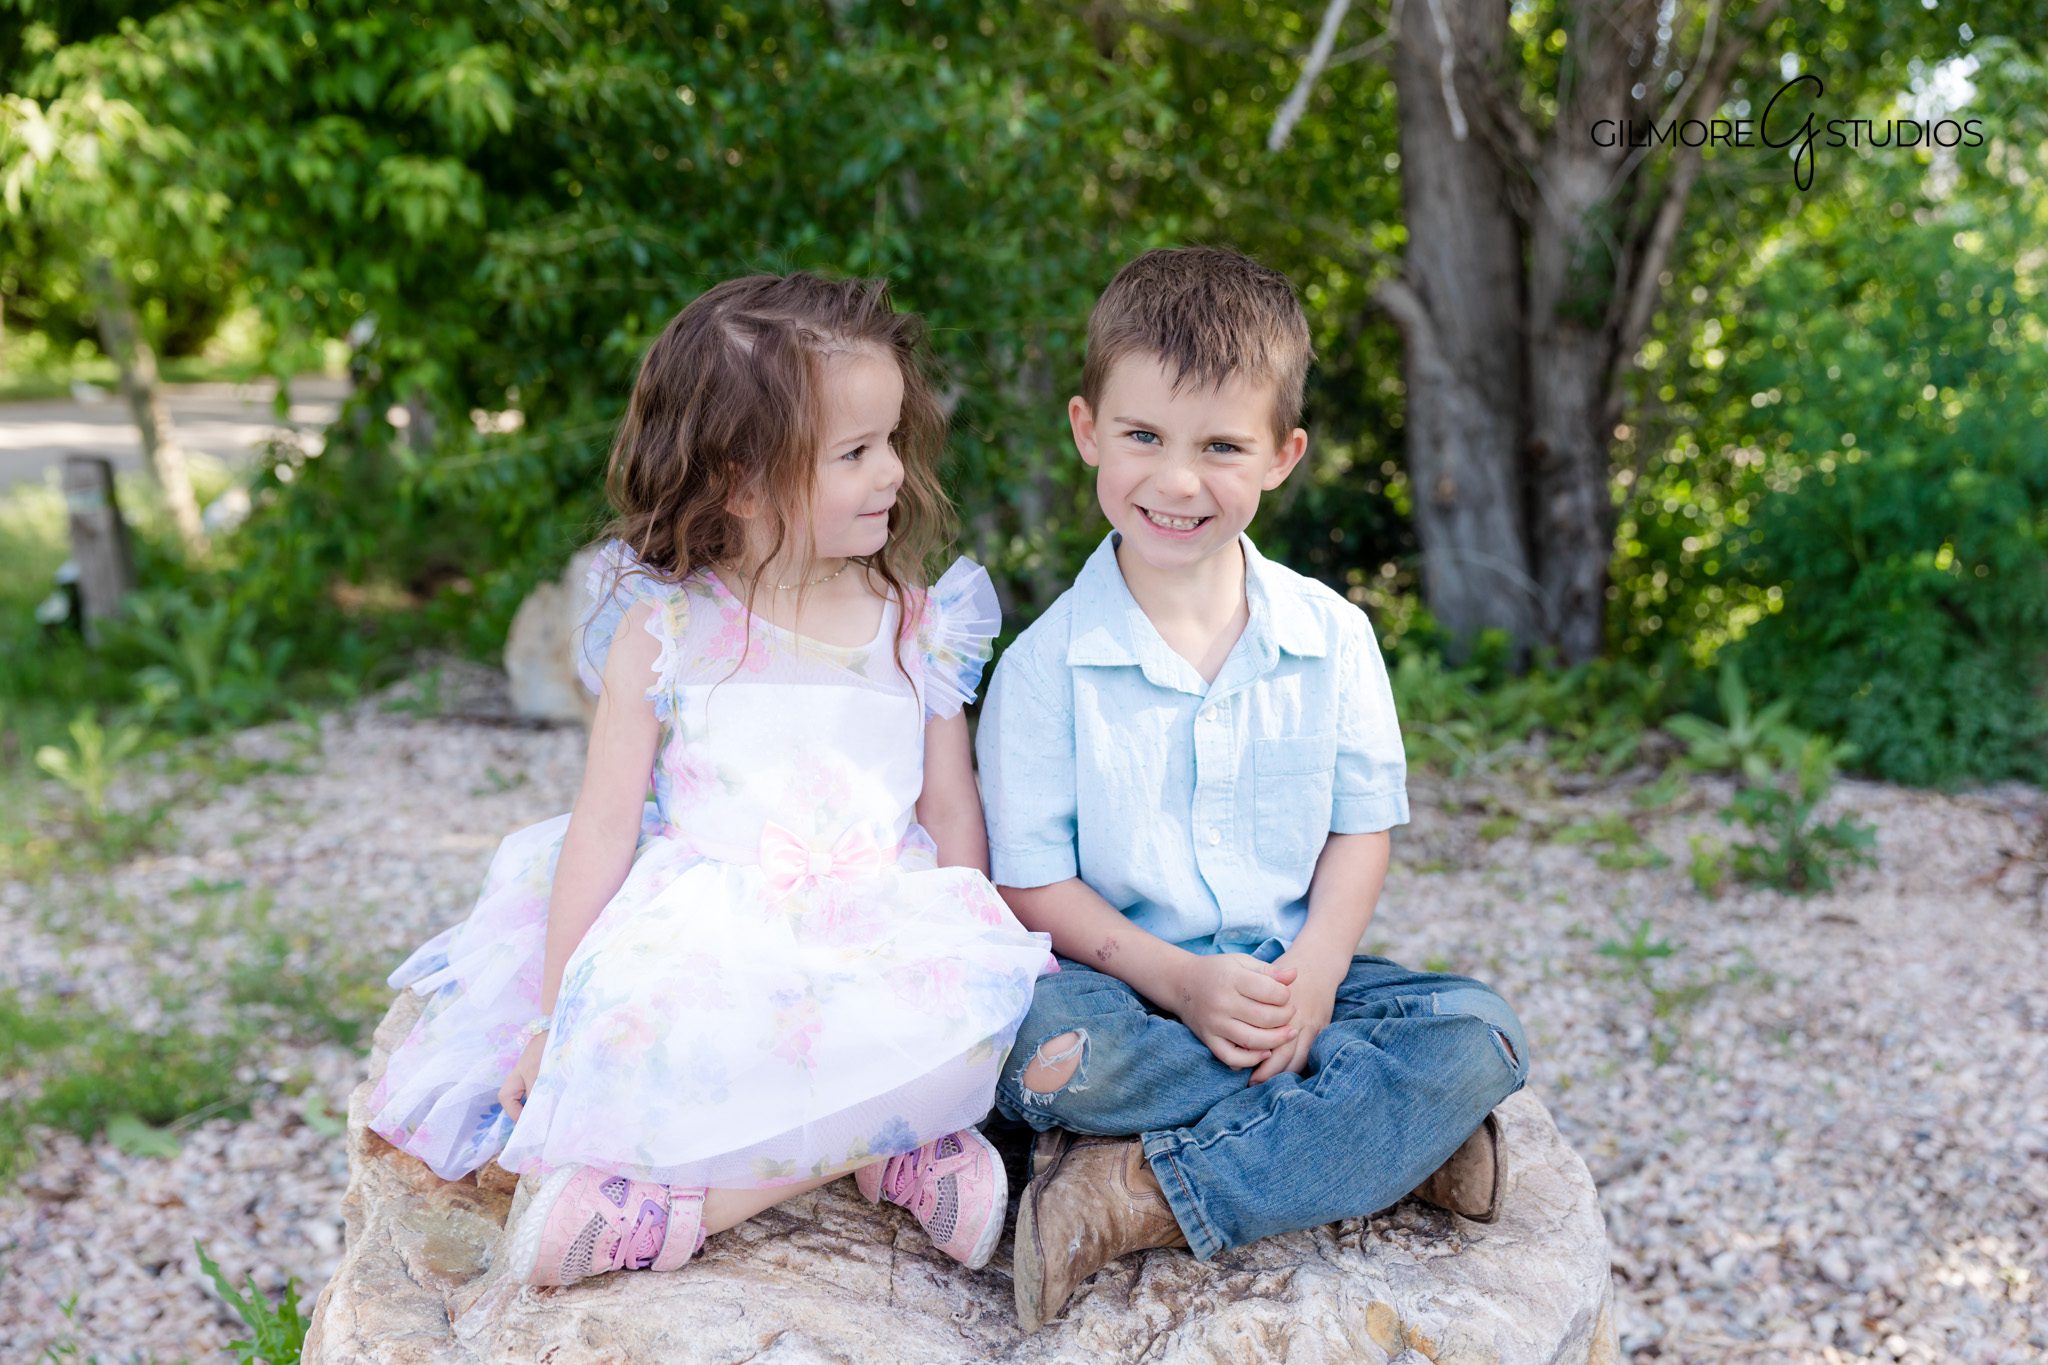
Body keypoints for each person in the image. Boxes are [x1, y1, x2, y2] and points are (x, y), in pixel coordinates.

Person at [367, 272, 1053, 1287]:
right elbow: (602, 828)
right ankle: (871, 1145)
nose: (892, 476)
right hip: (715, 918)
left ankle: (696, 1204)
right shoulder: (671, 627)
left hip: (882, 914)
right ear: (740, 477)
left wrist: (973, 950)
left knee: (975, 1034)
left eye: (894, 444)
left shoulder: (917, 620)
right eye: (856, 454)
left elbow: (948, 804)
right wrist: (555, 1022)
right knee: (658, 1039)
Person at [975, 246, 1531, 1331]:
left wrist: (1317, 978)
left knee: (1483, 1033)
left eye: (1220, 447)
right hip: (1124, 989)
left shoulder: (1330, 636)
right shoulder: (1046, 666)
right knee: (1034, 1057)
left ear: (1282, 455)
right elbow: (1031, 886)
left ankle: (1135, 1194)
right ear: (1087, 429)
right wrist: (1182, 985)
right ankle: (1386, 1139)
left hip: (1293, 987)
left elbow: (1358, 834)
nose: (1175, 481)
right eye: (1142, 437)